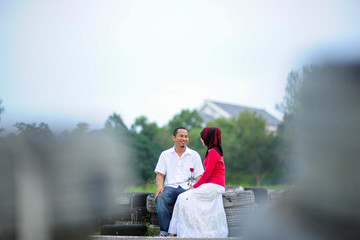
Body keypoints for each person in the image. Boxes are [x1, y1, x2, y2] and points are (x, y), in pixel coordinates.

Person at [168, 126, 228, 238]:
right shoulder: (214, 150)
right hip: (214, 185)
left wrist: (195, 186)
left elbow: (207, 173)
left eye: (202, 138)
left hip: (214, 185)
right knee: (187, 199)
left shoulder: (213, 152)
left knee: (183, 198)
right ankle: (175, 232)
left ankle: (183, 232)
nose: (201, 140)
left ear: (207, 138)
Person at [154, 127, 204, 237]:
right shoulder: (165, 155)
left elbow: (199, 176)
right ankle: (165, 232)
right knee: (160, 197)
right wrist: (159, 186)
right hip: (170, 188)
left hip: (187, 188)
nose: (184, 138)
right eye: (181, 136)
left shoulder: (194, 155)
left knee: (192, 199)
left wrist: (195, 187)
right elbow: (160, 174)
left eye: (186, 136)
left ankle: (188, 233)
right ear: (174, 138)